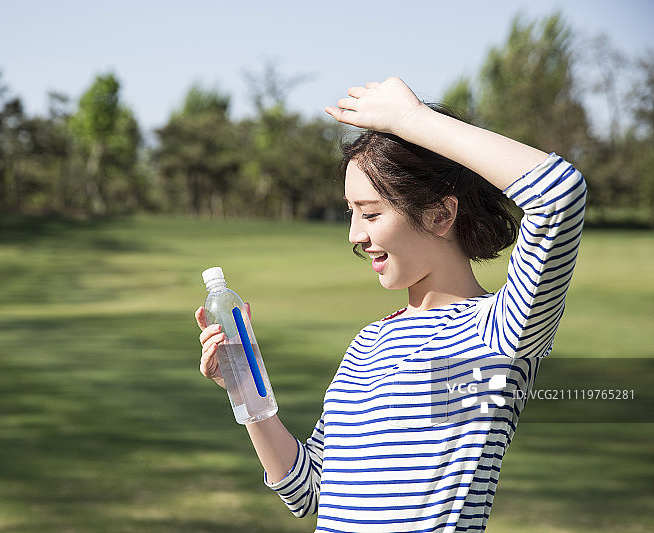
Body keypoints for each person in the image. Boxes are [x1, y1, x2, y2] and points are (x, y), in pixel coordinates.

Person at [195, 77, 586, 532]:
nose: (355, 236)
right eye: (351, 212)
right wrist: (245, 391)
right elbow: (310, 492)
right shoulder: (368, 343)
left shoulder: (500, 330)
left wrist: (413, 120)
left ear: (441, 214)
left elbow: (559, 194)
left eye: (373, 213)